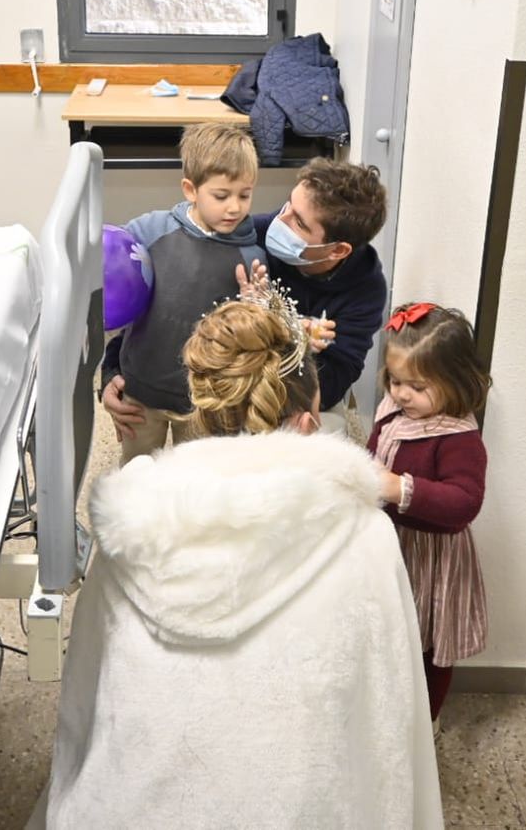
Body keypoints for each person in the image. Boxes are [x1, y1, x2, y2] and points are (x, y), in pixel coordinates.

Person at [33, 295, 443, 828]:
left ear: (203, 409)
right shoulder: (364, 532)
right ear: (306, 421)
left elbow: (91, 689)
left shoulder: (133, 525)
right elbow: (389, 717)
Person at [98, 123, 263, 462]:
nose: (234, 207)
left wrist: (254, 310)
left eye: (244, 195)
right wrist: (110, 373)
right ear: (191, 189)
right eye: (221, 196)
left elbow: (250, 338)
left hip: (204, 402)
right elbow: (106, 270)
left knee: (194, 485)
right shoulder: (150, 230)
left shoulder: (252, 258)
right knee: (138, 476)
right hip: (140, 393)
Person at [370, 302, 493, 726]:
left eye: (417, 386)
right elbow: (375, 452)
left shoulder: (458, 437)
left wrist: (399, 487)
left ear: (454, 382)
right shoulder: (395, 410)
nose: (402, 394)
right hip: (391, 546)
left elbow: (464, 502)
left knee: (429, 648)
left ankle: (427, 724)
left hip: (432, 558)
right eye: (395, 380)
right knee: (390, 638)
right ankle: (389, 717)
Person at [253, 158, 390, 434]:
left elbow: (335, 382)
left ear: (337, 250)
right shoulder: (257, 233)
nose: (280, 221)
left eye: (300, 223)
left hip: (302, 396)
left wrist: (294, 343)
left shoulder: (366, 290)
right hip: (244, 376)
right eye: (288, 204)